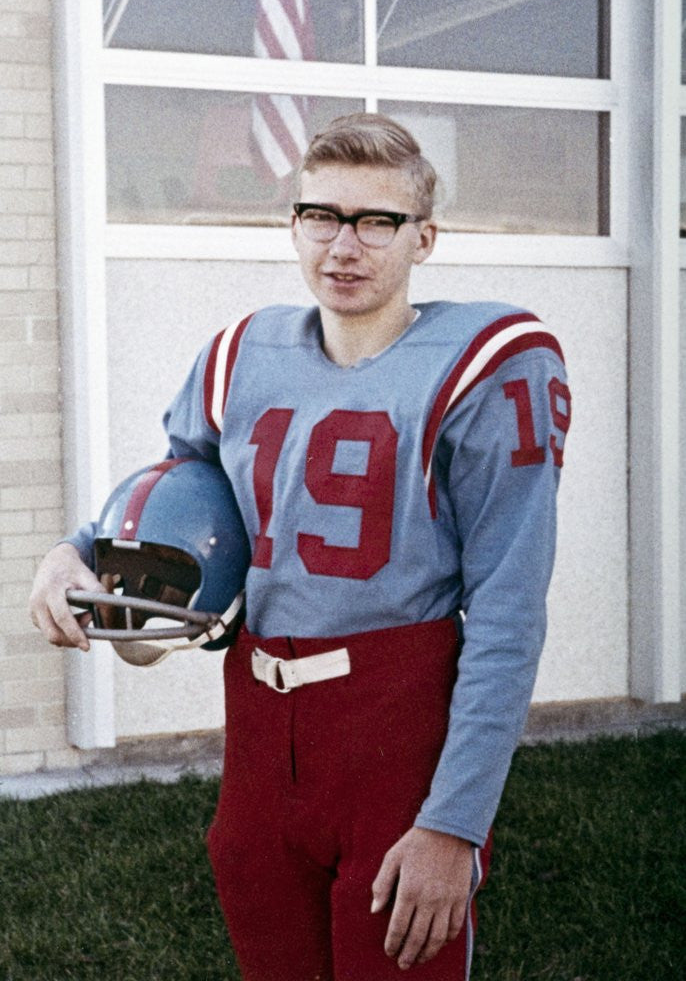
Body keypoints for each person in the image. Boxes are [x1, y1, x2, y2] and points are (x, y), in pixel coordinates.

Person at [29, 113, 570, 980]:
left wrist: (454, 824)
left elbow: (508, 611)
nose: (343, 246)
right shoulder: (242, 352)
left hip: (398, 727)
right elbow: (178, 491)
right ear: (294, 224)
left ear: (424, 238)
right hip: (257, 730)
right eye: (321, 216)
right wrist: (75, 550)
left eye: (375, 221)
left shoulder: (489, 360)